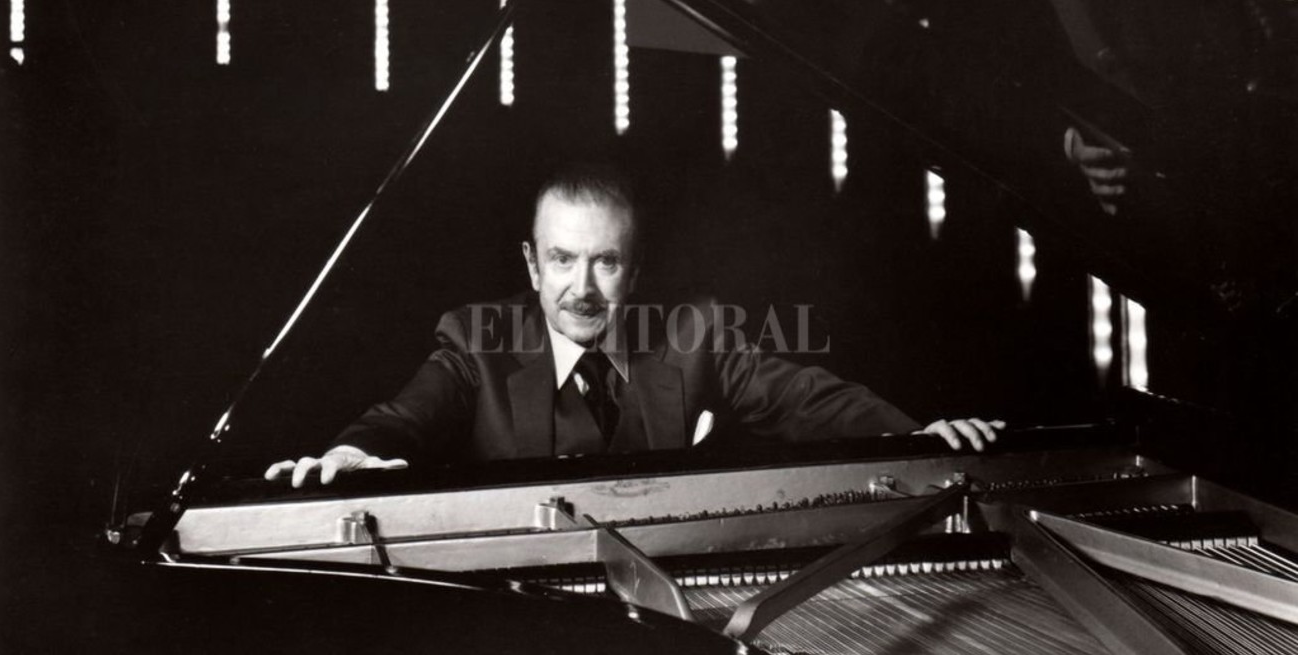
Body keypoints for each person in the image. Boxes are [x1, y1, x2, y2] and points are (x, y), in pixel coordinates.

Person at [266, 164, 1004, 487]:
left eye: (606, 263)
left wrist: (918, 437)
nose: (582, 289)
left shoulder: (695, 332)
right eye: (562, 259)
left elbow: (808, 399)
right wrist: (354, 454)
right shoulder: (475, 339)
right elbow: (404, 418)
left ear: (636, 270)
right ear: (531, 264)